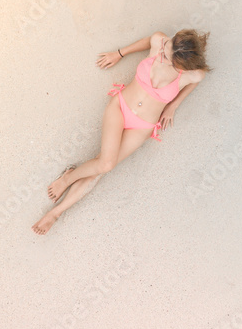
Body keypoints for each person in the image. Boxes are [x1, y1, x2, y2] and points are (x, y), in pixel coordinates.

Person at [31, 29, 211, 234]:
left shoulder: (190, 74)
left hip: (141, 126)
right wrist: (120, 53)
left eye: (166, 55)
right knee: (105, 164)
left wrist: (174, 105)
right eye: (166, 45)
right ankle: (67, 178)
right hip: (120, 107)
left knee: (101, 166)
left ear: (180, 65)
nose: (161, 50)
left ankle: (56, 212)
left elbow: (198, 79)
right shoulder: (160, 41)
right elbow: (148, 40)